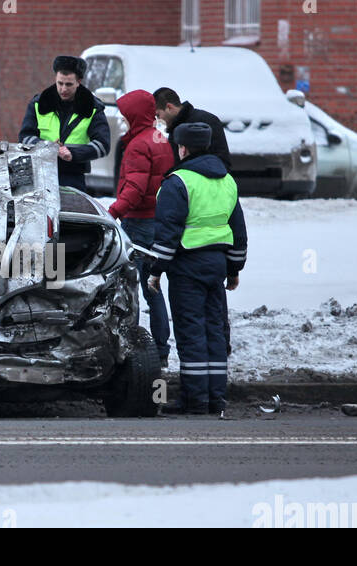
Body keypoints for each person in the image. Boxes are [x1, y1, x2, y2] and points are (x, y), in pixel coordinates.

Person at [147, 122, 248, 416]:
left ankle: (195, 401)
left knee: (191, 331)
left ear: (183, 148)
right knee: (214, 330)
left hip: (187, 265)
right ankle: (216, 399)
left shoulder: (178, 182)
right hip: (216, 266)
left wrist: (156, 270)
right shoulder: (227, 180)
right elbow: (238, 230)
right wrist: (234, 269)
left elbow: (167, 232)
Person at [106, 89, 174, 364]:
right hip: (158, 219)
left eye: (125, 116)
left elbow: (134, 189)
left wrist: (112, 212)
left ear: (134, 116)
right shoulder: (160, 139)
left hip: (138, 223)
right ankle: (161, 349)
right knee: (154, 286)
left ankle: (135, 348)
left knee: (130, 286)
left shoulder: (137, 145)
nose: (122, 121)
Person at [19, 56, 111, 192]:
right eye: (60, 83)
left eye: (68, 84)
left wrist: (72, 153)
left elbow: (103, 145)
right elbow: (25, 137)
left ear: (79, 82)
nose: (63, 89)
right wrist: (48, 147)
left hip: (73, 176)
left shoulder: (93, 108)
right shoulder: (39, 104)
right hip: (40, 174)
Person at [152, 87, 232, 172]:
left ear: (169, 107)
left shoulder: (207, 121)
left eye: (158, 115)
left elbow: (222, 162)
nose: (159, 120)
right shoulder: (174, 129)